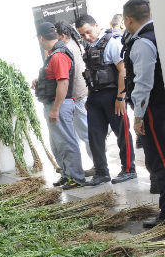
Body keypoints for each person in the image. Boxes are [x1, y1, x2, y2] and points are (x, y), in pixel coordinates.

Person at [76, 14, 136, 186]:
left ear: (96, 25)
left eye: (88, 32)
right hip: (95, 97)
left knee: (122, 133)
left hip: (113, 95)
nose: (86, 37)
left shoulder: (111, 43)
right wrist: (89, 96)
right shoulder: (88, 46)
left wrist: (121, 97)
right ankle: (102, 172)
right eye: (82, 35)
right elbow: (90, 73)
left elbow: (122, 71)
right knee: (94, 135)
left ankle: (128, 169)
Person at [122, 0, 165, 227]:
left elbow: (143, 84)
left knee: (159, 161)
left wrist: (138, 116)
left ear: (128, 19)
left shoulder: (142, 43)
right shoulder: (157, 34)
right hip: (158, 107)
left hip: (153, 110)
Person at [33, 22, 85, 189]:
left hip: (59, 105)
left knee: (67, 142)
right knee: (57, 143)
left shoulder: (58, 56)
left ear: (41, 38)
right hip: (54, 104)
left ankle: (76, 178)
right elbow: (54, 78)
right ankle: (66, 173)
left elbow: (63, 83)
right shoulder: (53, 54)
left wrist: (55, 109)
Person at [54, 20, 94, 175]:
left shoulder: (69, 49)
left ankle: (98, 166)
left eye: (55, 36)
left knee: (86, 134)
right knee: (84, 134)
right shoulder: (74, 45)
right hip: (80, 96)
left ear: (62, 36)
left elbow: (74, 76)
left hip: (78, 97)